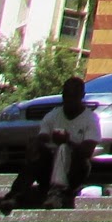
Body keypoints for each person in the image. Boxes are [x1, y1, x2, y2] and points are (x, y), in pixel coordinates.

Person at [9, 77, 100, 209]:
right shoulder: (53, 115)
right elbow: (43, 136)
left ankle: (58, 193)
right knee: (38, 151)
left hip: (75, 170)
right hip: (49, 170)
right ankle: (15, 193)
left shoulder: (90, 118)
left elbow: (87, 152)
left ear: (81, 96)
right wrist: (36, 144)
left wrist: (68, 142)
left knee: (63, 148)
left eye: (74, 96)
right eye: (67, 96)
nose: (69, 101)